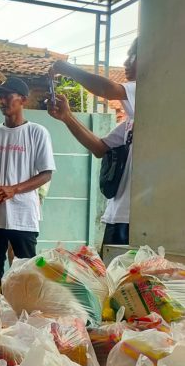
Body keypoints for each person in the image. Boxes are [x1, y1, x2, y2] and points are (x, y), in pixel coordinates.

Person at [48, 38, 137, 248]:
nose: (126, 62)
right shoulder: (131, 123)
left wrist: (68, 69)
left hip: (137, 218)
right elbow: (100, 148)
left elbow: (108, 90)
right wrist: (67, 117)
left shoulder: (148, 89)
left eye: (133, 55)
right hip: (118, 215)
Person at [0, 77, 56, 281]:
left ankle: (24, 313)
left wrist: (14, 190)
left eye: (7, 96)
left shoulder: (37, 133)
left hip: (23, 217)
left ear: (23, 100)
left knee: (26, 276)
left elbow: (46, 173)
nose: (2, 101)